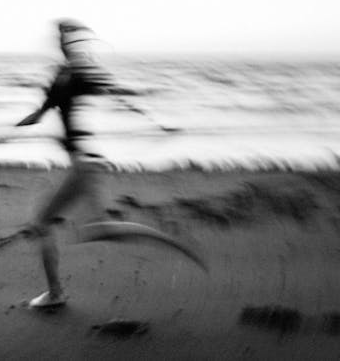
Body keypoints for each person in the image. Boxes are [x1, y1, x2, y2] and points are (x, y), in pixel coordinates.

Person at [17, 19, 205, 308]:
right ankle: (55, 293)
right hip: (82, 164)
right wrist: (5, 128)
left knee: (55, 224)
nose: (60, 42)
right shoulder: (63, 76)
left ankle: (55, 295)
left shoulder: (76, 75)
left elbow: (117, 95)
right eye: (59, 38)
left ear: (73, 43)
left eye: (65, 38)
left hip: (83, 165)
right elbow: (39, 115)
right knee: (87, 228)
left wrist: (154, 123)